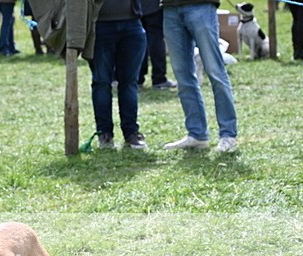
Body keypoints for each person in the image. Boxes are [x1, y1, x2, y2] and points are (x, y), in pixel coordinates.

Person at [162, 0, 238, 152]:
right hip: (170, 9)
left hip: (201, 6)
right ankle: (197, 135)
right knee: (183, 77)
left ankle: (228, 135)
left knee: (215, 72)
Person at [89, 0, 148, 150]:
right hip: (99, 24)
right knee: (101, 82)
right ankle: (104, 134)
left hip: (132, 23)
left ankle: (131, 133)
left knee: (129, 82)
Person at [138, 0, 177, 88]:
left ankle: (138, 78)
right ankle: (159, 78)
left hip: (135, 7)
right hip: (154, 6)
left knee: (138, 42)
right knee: (156, 40)